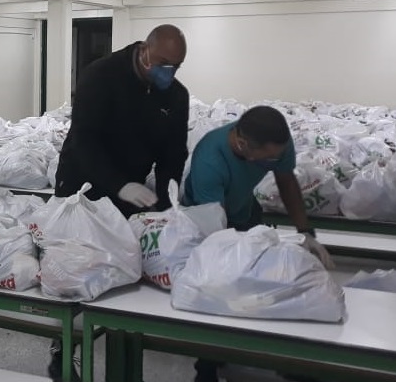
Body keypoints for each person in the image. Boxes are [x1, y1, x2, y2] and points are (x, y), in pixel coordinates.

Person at [51, 24, 190, 381]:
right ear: (144, 50)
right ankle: (62, 345)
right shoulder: (101, 76)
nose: (168, 72)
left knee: (125, 263)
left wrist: (169, 201)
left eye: (175, 66)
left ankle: (122, 344)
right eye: (162, 63)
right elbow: (85, 138)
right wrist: (117, 184)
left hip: (132, 184)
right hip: (83, 179)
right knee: (74, 265)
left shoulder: (175, 95)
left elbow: (173, 153)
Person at [183, 105, 334, 382]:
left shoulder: (277, 144)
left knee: (270, 283)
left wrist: (305, 232)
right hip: (204, 221)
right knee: (219, 291)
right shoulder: (210, 160)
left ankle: (284, 358)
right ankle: (207, 366)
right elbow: (216, 233)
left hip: (245, 211)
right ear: (242, 145)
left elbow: (286, 182)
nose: (272, 162)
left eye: (276, 156)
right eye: (266, 160)